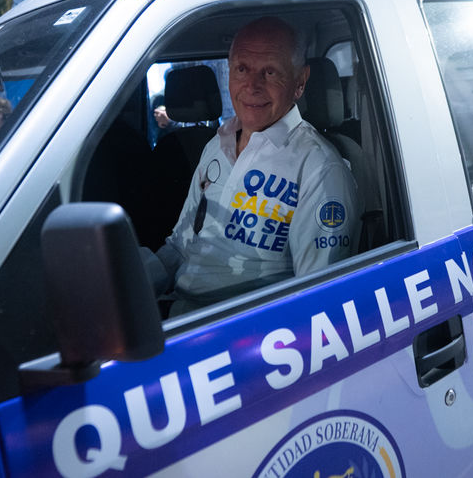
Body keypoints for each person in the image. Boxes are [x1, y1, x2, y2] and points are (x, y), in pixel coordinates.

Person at [151, 17, 359, 313]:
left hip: (240, 332)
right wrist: (132, 283)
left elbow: (316, 298)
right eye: (242, 69)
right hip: (178, 311)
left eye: (270, 72)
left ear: (300, 82)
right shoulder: (216, 145)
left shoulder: (319, 168)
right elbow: (181, 245)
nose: (251, 85)